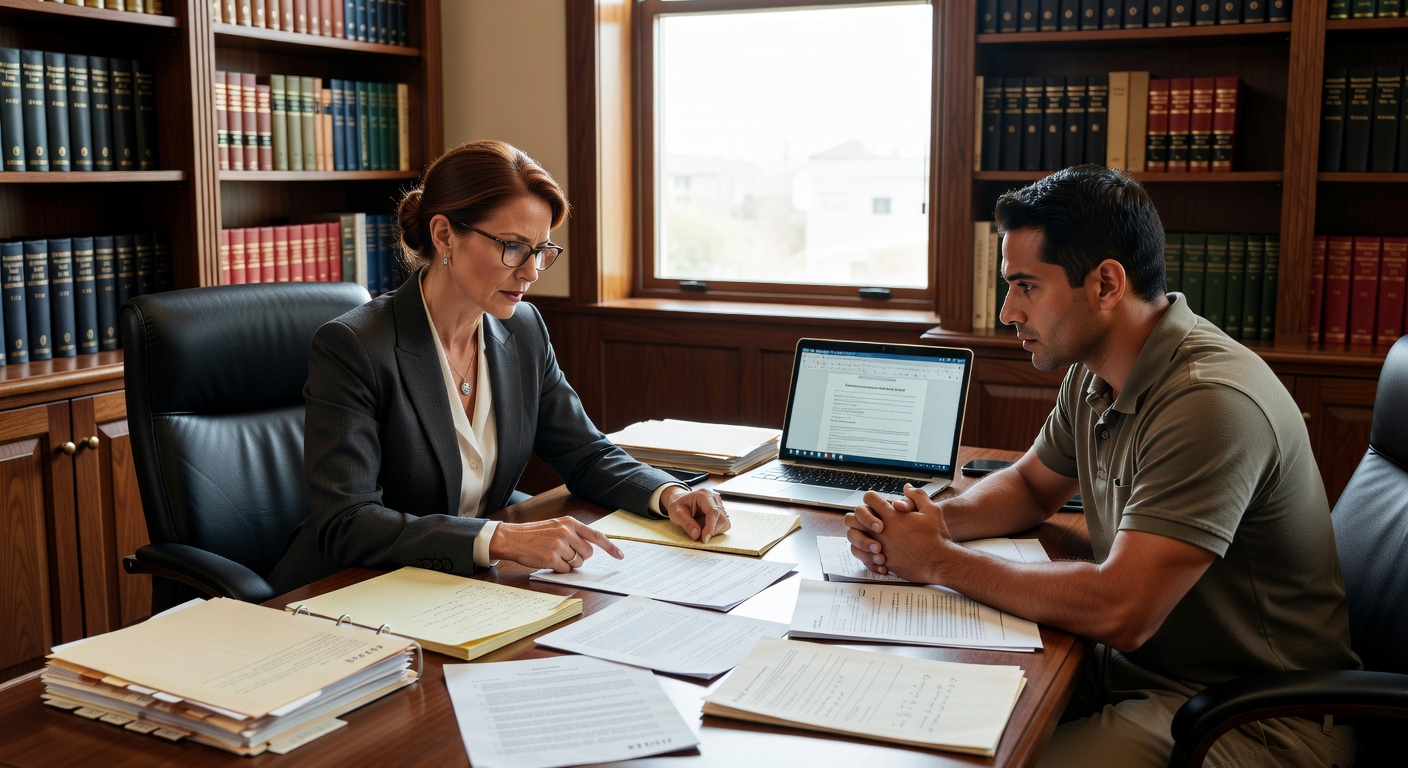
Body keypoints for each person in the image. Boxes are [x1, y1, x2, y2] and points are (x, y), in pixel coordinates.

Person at [844, 166, 1359, 767]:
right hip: (1134, 668)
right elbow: (1031, 485)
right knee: (926, 715)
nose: (1008, 311)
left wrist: (937, 559)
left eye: (1026, 286)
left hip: (1253, 716)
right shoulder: (1096, 371)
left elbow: (1122, 607)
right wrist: (932, 522)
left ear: (1106, 284)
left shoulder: (1210, 401)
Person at [270, 140, 729, 592]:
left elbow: (584, 452)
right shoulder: (355, 346)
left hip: (457, 586)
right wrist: (499, 539)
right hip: (348, 589)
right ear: (444, 235)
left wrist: (669, 494)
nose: (531, 272)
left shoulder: (523, 329)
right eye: (513, 247)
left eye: (542, 250)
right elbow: (347, 522)